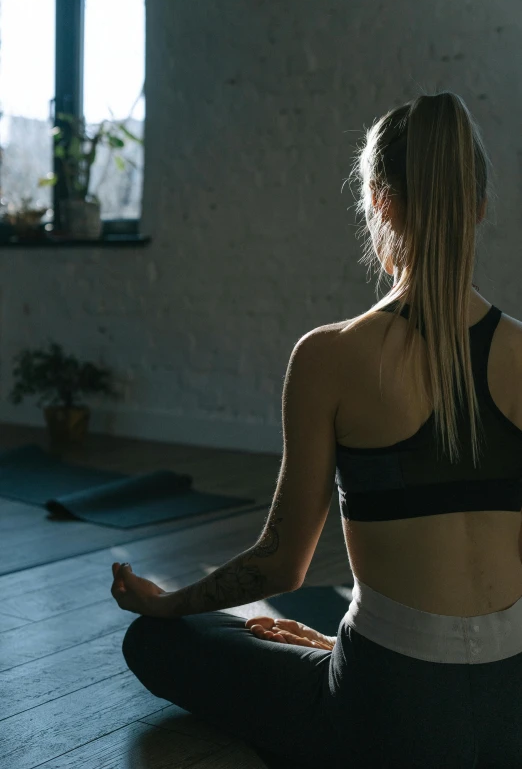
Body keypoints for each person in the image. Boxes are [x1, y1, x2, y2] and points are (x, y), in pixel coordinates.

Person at [112, 91, 522, 768]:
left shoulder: (328, 356)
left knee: (156, 641)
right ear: (478, 205)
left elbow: (280, 563)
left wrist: (168, 604)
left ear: (379, 201)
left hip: (385, 717)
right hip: (513, 718)